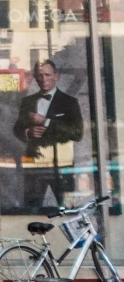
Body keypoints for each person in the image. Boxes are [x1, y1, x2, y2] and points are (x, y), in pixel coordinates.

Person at [12, 59, 85, 212]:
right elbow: (17, 129)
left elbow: (77, 133)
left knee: (69, 210)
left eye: (47, 75)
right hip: (34, 166)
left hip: (62, 166)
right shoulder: (27, 101)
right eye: (40, 75)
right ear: (35, 77)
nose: (44, 79)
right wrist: (28, 132)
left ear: (56, 76)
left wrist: (46, 121)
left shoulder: (69, 102)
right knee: (30, 210)